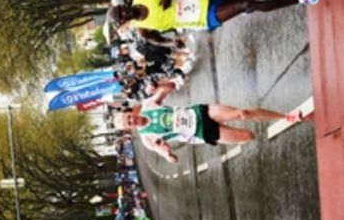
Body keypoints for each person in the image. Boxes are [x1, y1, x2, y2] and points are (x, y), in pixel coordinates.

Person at [108, 0, 320, 47]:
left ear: (123, 6)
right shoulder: (143, 30)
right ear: (123, 22)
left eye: (122, 10)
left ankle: (243, 7)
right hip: (203, 17)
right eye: (121, 18)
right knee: (248, 4)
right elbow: (158, 40)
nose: (125, 14)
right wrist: (172, 42)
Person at [113, 82, 303, 162]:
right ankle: (279, 119)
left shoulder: (148, 104)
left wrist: (156, 87)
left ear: (130, 112)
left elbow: (170, 87)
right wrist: (168, 155)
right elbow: (162, 150)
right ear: (129, 129)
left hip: (200, 113)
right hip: (200, 133)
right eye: (129, 123)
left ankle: (285, 116)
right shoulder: (147, 138)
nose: (132, 120)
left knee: (242, 113)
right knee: (248, 136)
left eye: (129, 116)